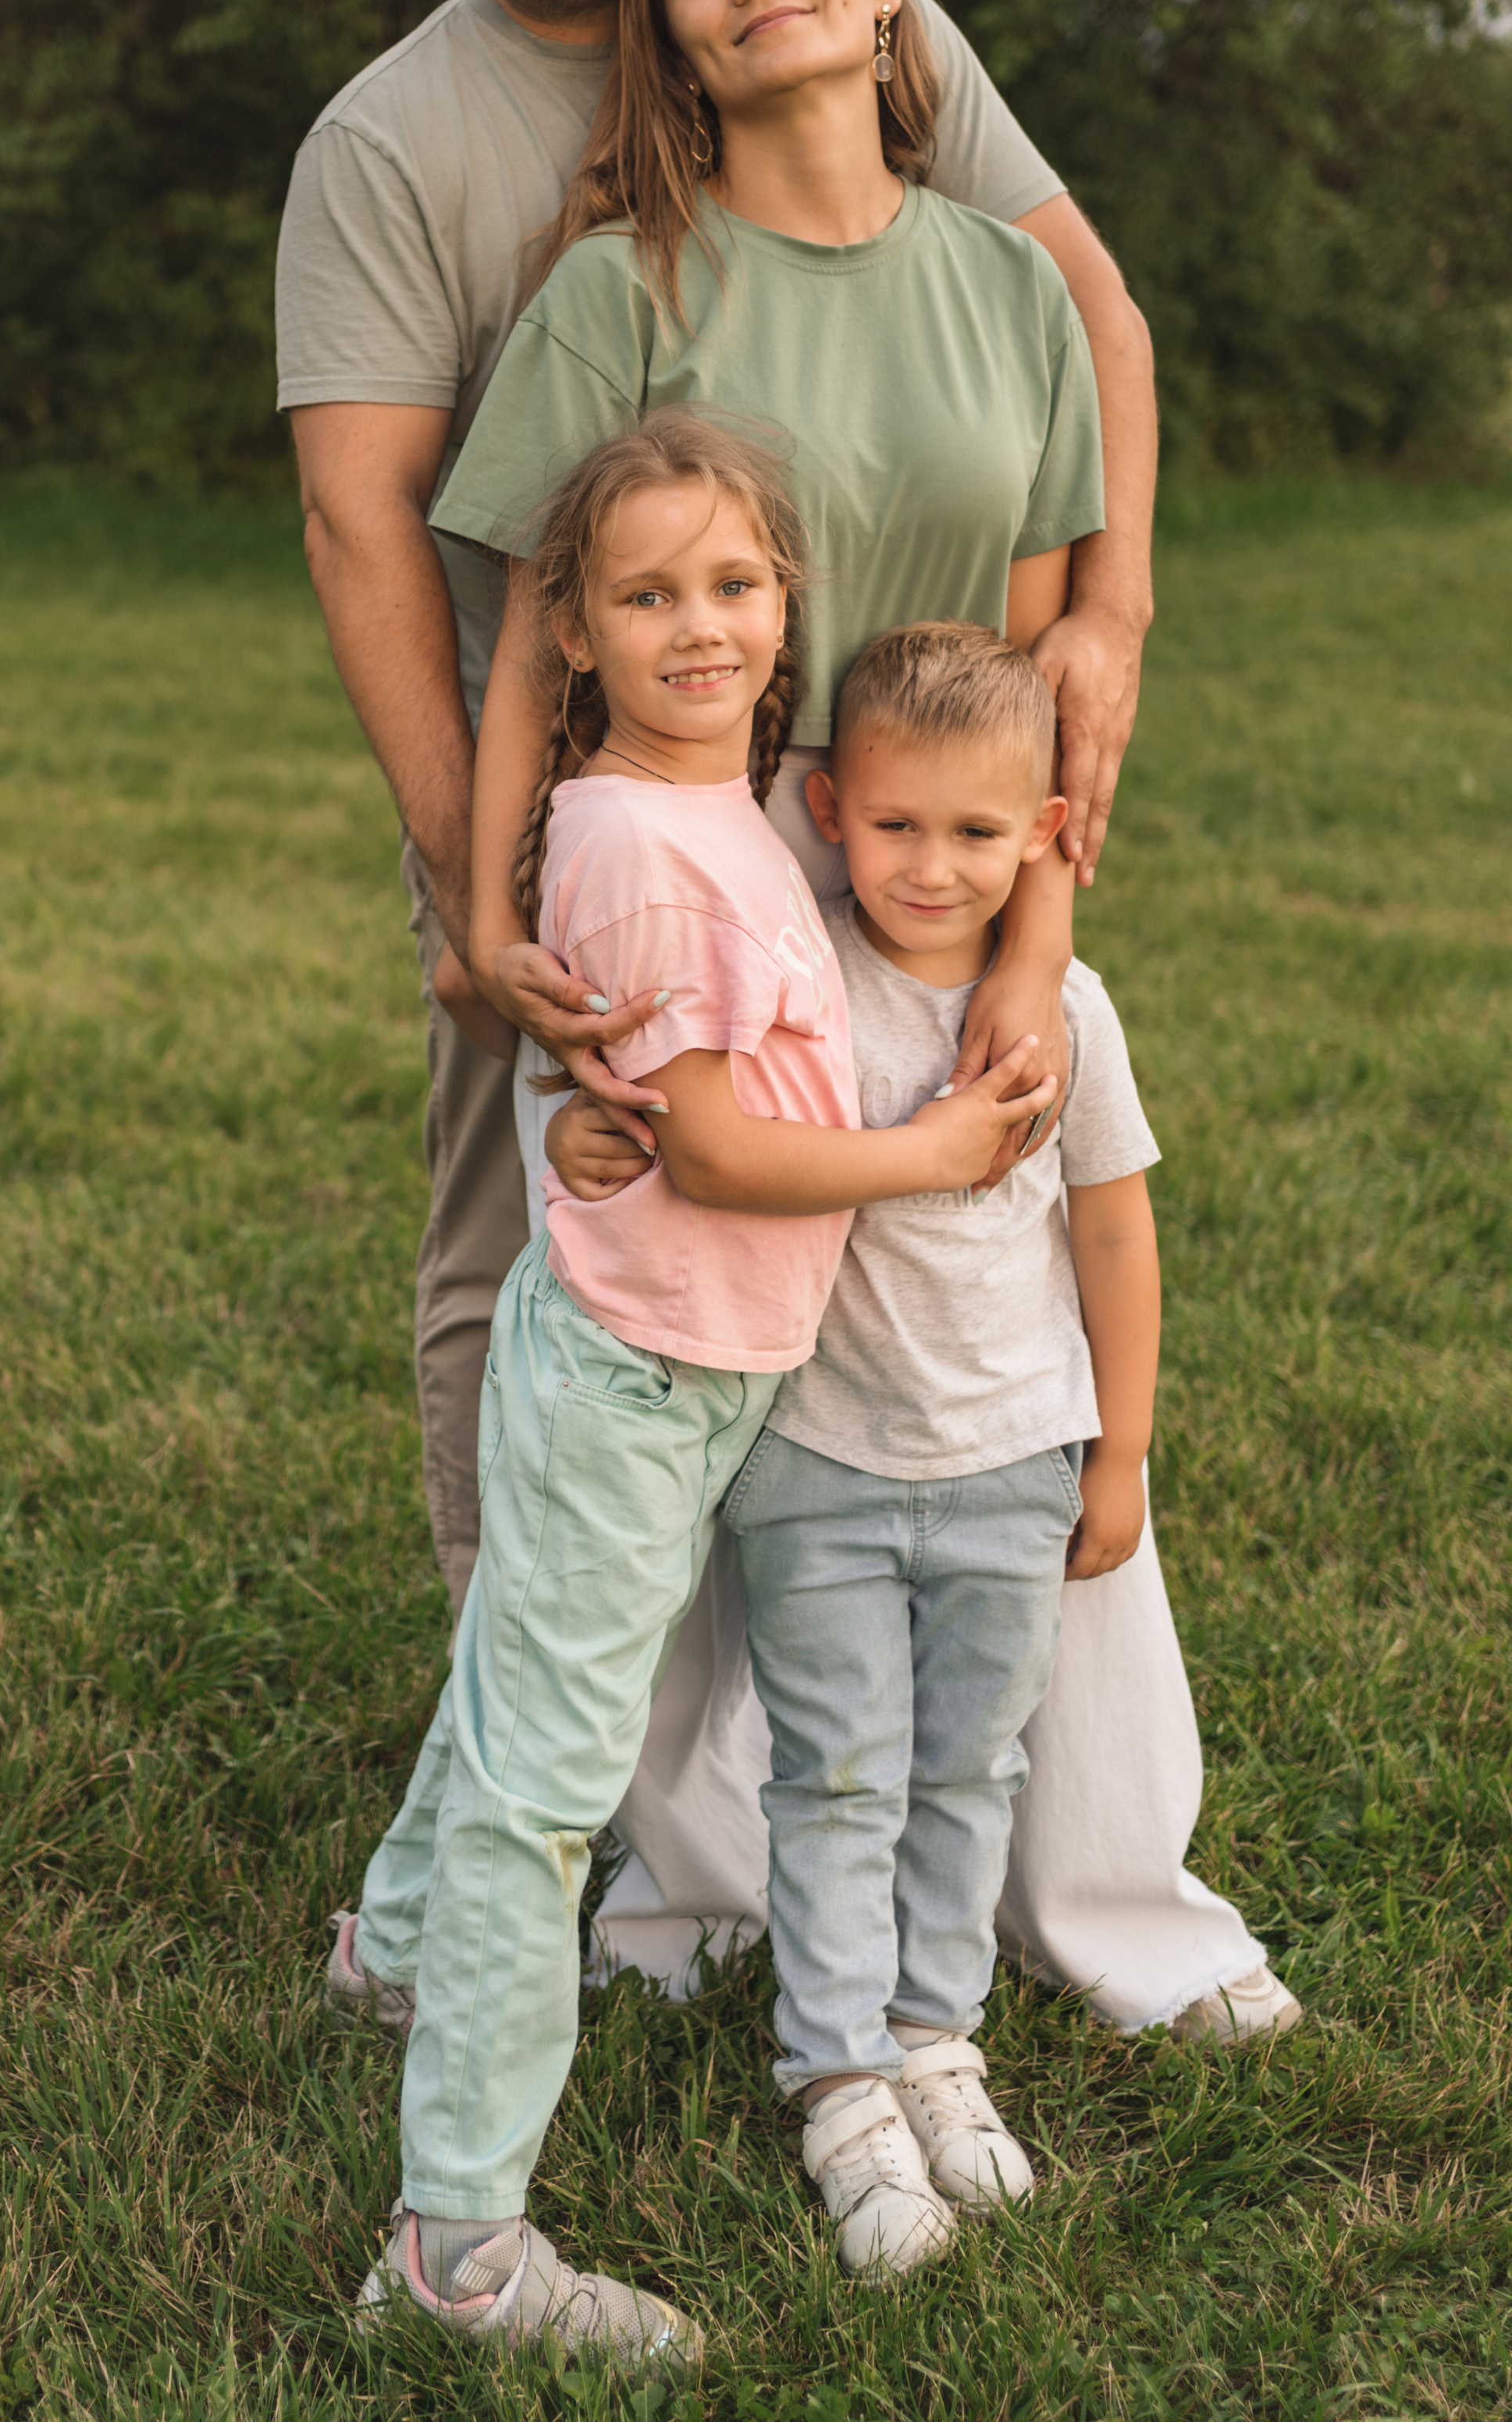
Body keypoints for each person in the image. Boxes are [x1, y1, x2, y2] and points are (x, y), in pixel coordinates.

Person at [286, 0, 1293, 2042]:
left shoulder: (930, 170)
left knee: (971, 1347)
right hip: (661, 853)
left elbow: (1075, 416)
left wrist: (1081, 738)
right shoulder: (468, 188)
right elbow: (393, 535)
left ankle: (1080, 1876)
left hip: (928, 857)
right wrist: (486, 896)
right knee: (617, 1335)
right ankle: (623, 1847)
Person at [347, 419, 1058, 2364]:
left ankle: (390, 1954)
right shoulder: (648, 847)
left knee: (519, 1668)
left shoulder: (710, 806)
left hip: (672, 1359)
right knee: (543, 1795)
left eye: (733, 584)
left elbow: (674, 1094)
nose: (701, 627)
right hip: (636, 1376)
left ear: (782, 601)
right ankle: (455, 2253)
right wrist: (933, 1158)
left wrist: (595, 1116)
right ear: (567, 633)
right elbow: (731, 1152)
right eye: (646, 594)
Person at [550, 622, 1165, 2278]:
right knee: (832, 1774)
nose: (930, 866)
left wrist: (1116, 1455)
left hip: (1012, 1462)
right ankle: (834, 2080)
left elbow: (1113, 1233)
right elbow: (687, 1116)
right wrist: (585, 1122)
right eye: (895, 824)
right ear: (827, 810)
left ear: (1042, 835)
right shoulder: (793, 976)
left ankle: (930, 2040)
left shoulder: (1063, 1015)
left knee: (969, 1769)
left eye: (975, 833)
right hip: (815, 1461)